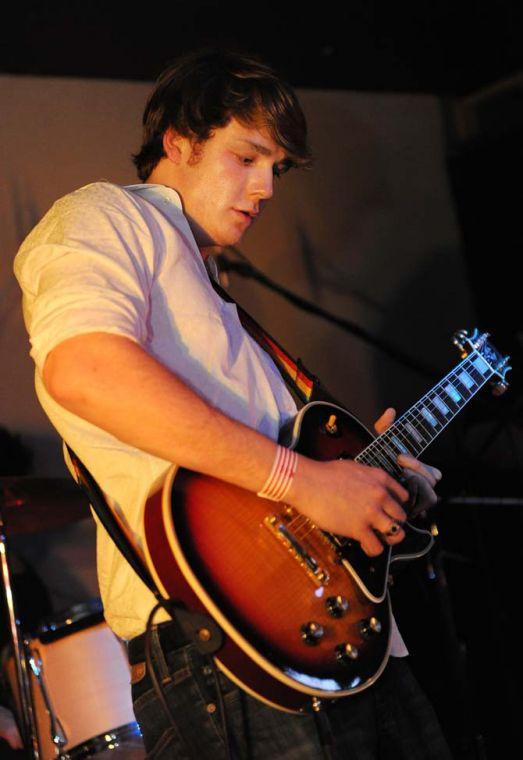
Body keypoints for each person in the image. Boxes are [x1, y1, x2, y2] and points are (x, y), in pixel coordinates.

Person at [14, 48, 452, 758]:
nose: (267, 187)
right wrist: (305, 479)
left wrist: (372, 490)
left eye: (276, 168)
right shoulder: (105, 216)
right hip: (220, 651)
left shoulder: (224, 311)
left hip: (342, 645)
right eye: (247, 157)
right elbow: (82, 369)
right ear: (178, 142)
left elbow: (290, 484)